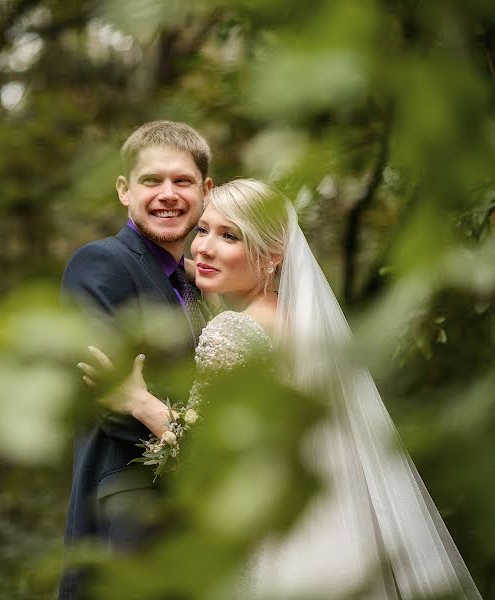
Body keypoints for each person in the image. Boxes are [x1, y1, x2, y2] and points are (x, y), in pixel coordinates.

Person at [80, 178, 482, 598]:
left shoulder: (233, 330)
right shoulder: (301, 324)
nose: (204, 248)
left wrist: (137, 400)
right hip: (332, 528)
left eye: (229, 236)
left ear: (272, 256)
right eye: (203, 230)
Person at [58, 120, 214, 599]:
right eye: (152, 180)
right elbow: (111, 402)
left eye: (182, 181)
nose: (167, 194)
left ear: (206, 191)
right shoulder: (101, 263)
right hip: (130, 509)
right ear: (125, 190)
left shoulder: (203, 285)